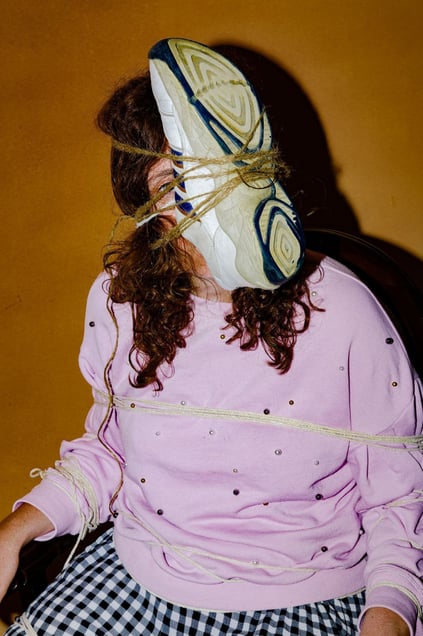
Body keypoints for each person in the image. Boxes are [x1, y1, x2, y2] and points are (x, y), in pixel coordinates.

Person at [0, 38, 422, 636]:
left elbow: (399, 497)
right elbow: (112, 451)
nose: (207, 203)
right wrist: (14, 532)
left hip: (298, 591)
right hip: (144, 570)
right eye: (175, 182)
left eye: (220, 170)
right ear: (143, 210)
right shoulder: (120, 300)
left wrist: (390, 613)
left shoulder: (344, 310)